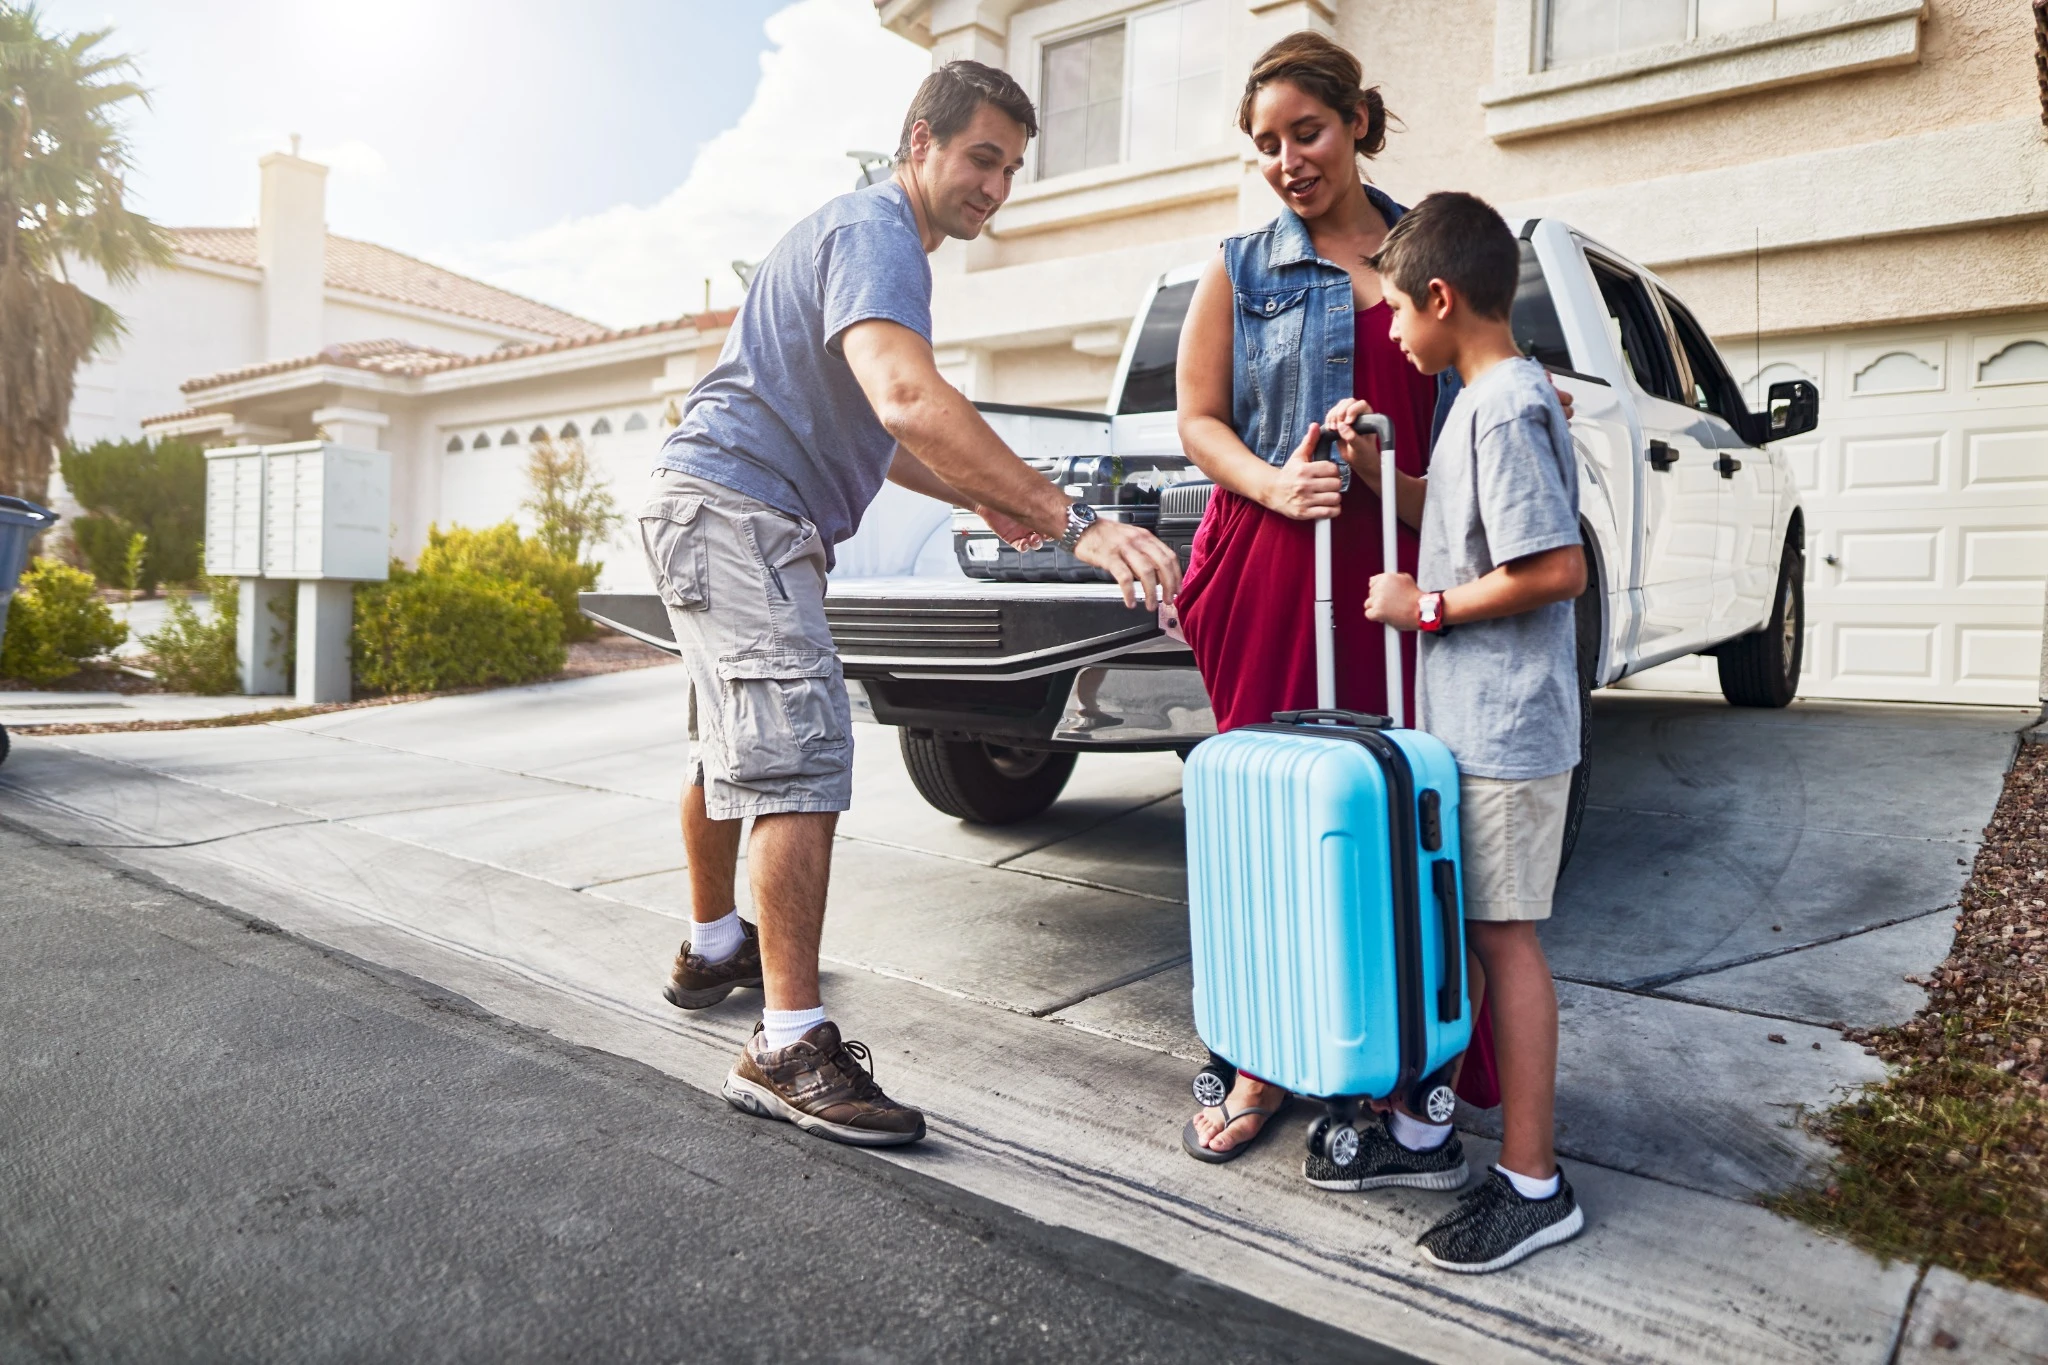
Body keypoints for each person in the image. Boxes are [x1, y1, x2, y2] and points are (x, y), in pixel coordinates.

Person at [642, 60, 1181, 1148]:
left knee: (731, 747)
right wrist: (1076, 523)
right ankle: (786, 1044)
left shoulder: (861, 243)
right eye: (981, 157)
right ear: (919, 142)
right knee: (800, 757)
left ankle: (712, 949)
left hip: (710, 504)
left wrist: (1005, 499)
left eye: (1012, 168)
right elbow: (909, 397)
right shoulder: (878, 232)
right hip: (741, 513)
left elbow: (887, 441)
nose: (995, 185)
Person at [1171, 31, 1452, 1165]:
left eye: (1306, 131)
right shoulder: (1238, 267)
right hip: (1273, 564)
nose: (1287, 160)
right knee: (1274, 817)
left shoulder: (1428, 250)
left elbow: (1477, 384)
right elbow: (1197, 421)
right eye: (1266, 145)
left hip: (1394, 571)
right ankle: (1259, 1052)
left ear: (1354, 121)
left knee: (1393, 812)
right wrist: (1276, 484)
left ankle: (1388, 1048)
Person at [1359, 190, 1587, 1273]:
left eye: (1397, 310)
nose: (1391, 331)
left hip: (1506, 730)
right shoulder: (1477, 403)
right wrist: (1373, 469)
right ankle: (1422, 1130)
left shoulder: (1500, 407)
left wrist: (1428, 609)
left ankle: (1534, 1186)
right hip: (1471, 726)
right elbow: (1453, 523)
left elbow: (1552, 568)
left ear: (1441, 299)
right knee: (1464, 937)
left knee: (1503, 943)